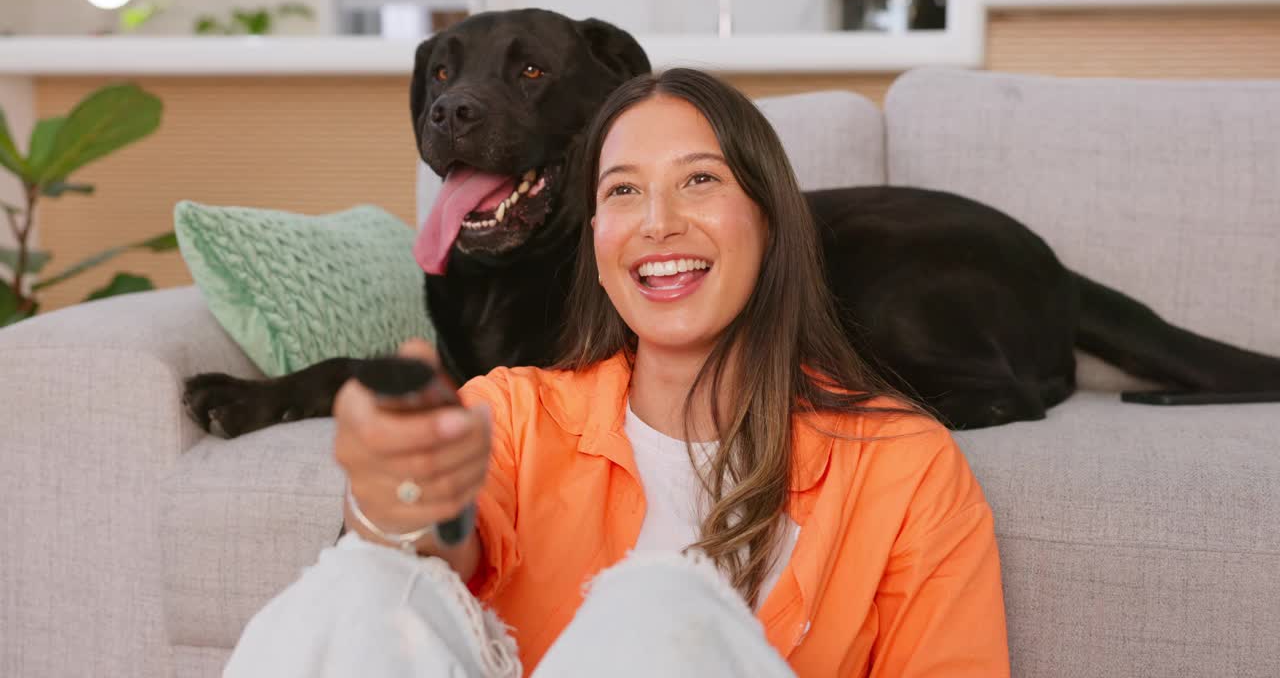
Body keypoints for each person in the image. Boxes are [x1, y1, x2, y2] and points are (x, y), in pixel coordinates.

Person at [224, 68, 1010, 677]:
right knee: (356, 584)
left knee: (661, 597)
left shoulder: (906, 469)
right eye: (623, 191)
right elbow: (437, 546)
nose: (658, 222)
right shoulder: (514, 410)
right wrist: (400, 501)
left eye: (699, 180)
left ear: (770, 220)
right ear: (596, 240)